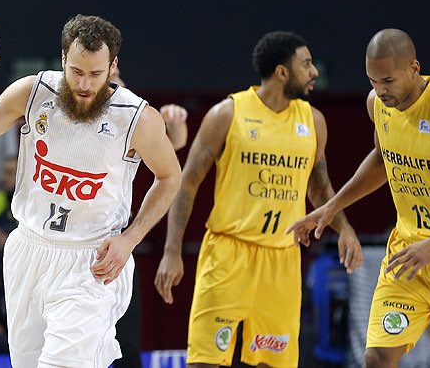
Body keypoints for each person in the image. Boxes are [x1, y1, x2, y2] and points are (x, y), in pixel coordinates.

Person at [0, 15, 181, 368]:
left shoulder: (137, 117)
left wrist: (130, 239)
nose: (85, 83)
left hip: (91, 260)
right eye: (77, 71)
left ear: (113, 65)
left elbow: (169, 177)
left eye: (96, 74)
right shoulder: (33, 93)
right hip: (28, 249)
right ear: (63, 58)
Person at [287, 28, 430, 367]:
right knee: (378, 356)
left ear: (414, 68)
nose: (380, 91)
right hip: (409, 252)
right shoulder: (378, 105)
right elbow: (385, 157)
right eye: (372, 82)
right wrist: (332, 205)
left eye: (388, 81)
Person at [155, 31, 363, 368]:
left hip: (280, 260)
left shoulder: (314, 122)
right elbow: (187, 183)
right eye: (306, 64)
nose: (313, 72)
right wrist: (171, 251)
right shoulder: (227, 114)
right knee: (204, 362)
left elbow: (320, 190)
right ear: (282, 72)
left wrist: (346, 230)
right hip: (227, 253)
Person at [109, 67, 189, 368]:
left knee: (126, 345)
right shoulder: (72, 106)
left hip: (116, 243)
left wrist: (174, 121)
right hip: (67, 243)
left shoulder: (135, 116)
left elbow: (175, 142)